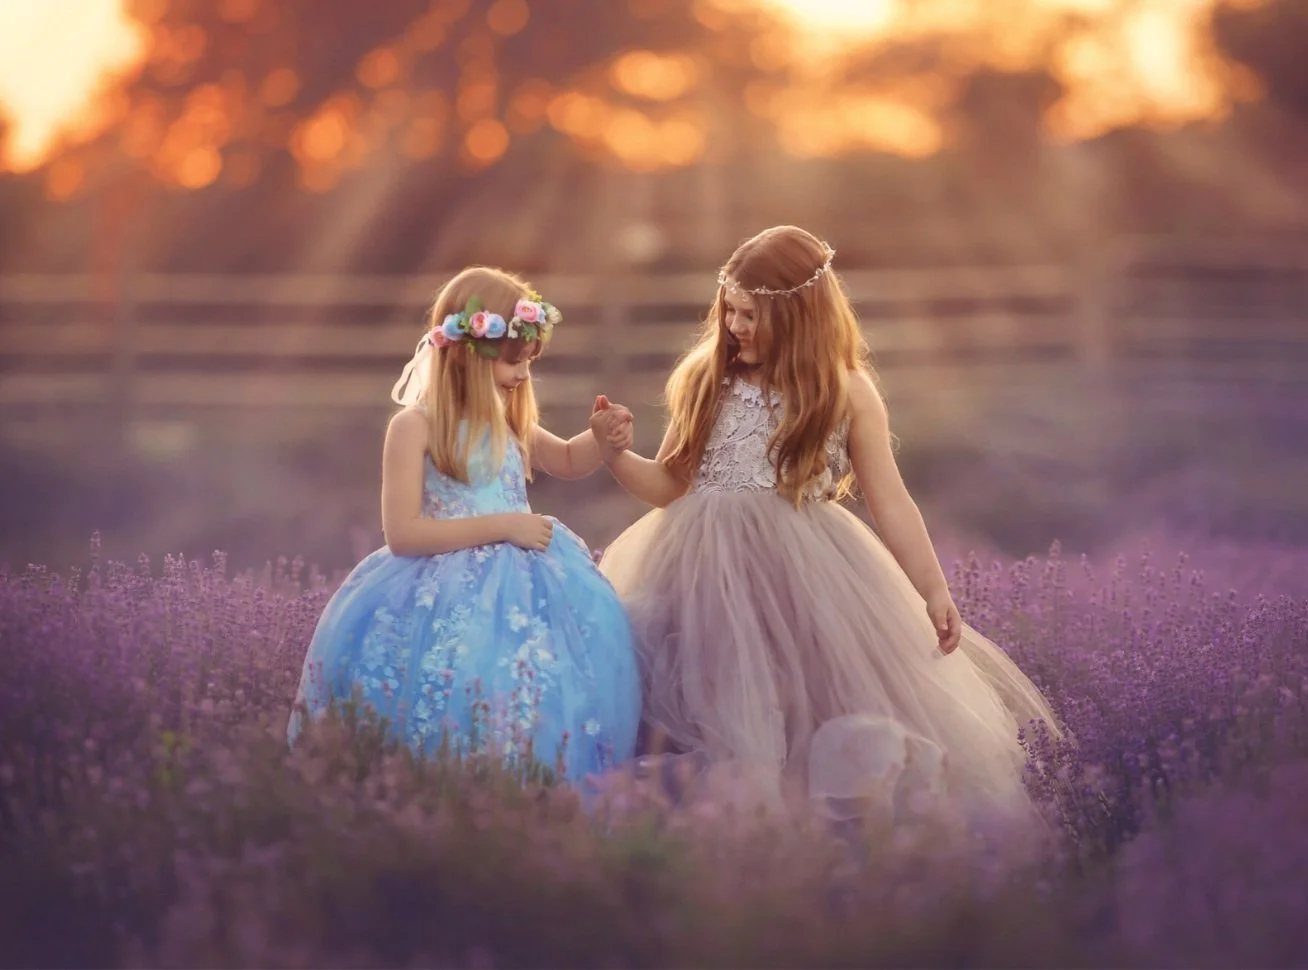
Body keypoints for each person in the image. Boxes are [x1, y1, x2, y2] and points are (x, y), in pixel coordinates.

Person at [590, 226, 1061, 824]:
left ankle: (807, 838)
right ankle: (724, 834)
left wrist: (934, 588)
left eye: (752, 316)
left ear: (801, 316)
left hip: (806, 576)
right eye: (730, 312)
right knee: (717, 708)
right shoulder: (706, 379)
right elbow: (666, 485)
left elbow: (891, 501)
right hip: (701, 573)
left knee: (803, 706)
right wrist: (616, 457)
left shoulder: (847, 392)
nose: (735, 326)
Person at [289, 266, 641, 785]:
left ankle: (540, 792)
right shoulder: (414, 427)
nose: (524, 375)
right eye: (514, 362)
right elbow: (404, 533)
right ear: (470, 353)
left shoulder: (508, 416)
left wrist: (602, 441)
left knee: (534, 687)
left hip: (526, 583)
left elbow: (565, 460)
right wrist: (504, 525)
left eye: (529, 362)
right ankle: (441, 793)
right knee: (459, 685)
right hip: (440, 586)